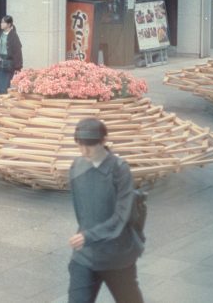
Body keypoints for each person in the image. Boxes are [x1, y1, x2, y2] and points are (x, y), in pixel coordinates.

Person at [68, 118, 144, 303]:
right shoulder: (76, 166)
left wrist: (89, 235)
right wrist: (85, 236)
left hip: (117, 256)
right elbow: (82, 213)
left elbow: (121, 216)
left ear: (103, 141)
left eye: (91, 145)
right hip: (85, 254)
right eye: (80, 145)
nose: (84, 151)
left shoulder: (119, 169)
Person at [0, 15, 23, 95]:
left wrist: (18, 67)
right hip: (0, 64)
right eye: (1, 22)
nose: (1, 24)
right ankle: (2, 103)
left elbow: (18, 52)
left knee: (4, 87)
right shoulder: (0, 34)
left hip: (9, 64)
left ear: (9, 24)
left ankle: (2, 102)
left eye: (3, 22)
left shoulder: (13, 35)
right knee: (1, 86)